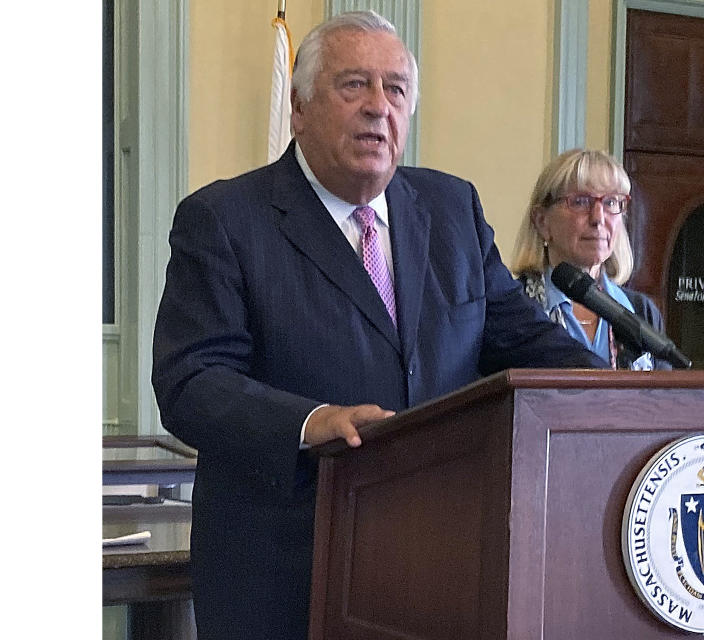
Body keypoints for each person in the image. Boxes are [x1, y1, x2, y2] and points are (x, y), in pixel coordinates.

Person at [151, 11, 605, 640]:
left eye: (394, 89)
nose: (377, 107)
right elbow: (191, 382)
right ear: (300, 106)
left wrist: (617, 396)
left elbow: (523, 342)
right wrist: (314, 422)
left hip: (437, 566)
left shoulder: (451, 210)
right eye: (352, 86)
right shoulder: (226, 219)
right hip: (286, 573)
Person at [511, 149, 673, 370]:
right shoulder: (515, 307)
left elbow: (662, 400)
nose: (598, 218)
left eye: (611, 202)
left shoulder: (641, 311)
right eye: (580, 202)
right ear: (542, 221)